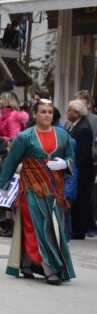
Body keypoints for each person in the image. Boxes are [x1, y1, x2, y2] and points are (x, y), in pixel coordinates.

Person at [0, 99, 76, 285]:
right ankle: (49, 268)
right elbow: (11, 161)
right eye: (43, 112)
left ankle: (26, 264)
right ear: (35, 114)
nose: (47, 115)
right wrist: (3, 185)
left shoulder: (62, 135)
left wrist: (65, 163)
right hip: (31, 187)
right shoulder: (24, 137)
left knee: (52, 228)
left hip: (55, 190)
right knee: (37, 227)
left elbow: (71, 156)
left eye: (49, 112)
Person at [65, 99, 95, 239]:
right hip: (75, 170)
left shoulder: (83, 128)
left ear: (77, 113)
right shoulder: (73, 126)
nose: (67, 112)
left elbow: (83, 155)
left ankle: (78, 230)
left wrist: (72, 168)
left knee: (81, 201)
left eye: (70, 110)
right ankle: (75, 228)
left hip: (81, 173)